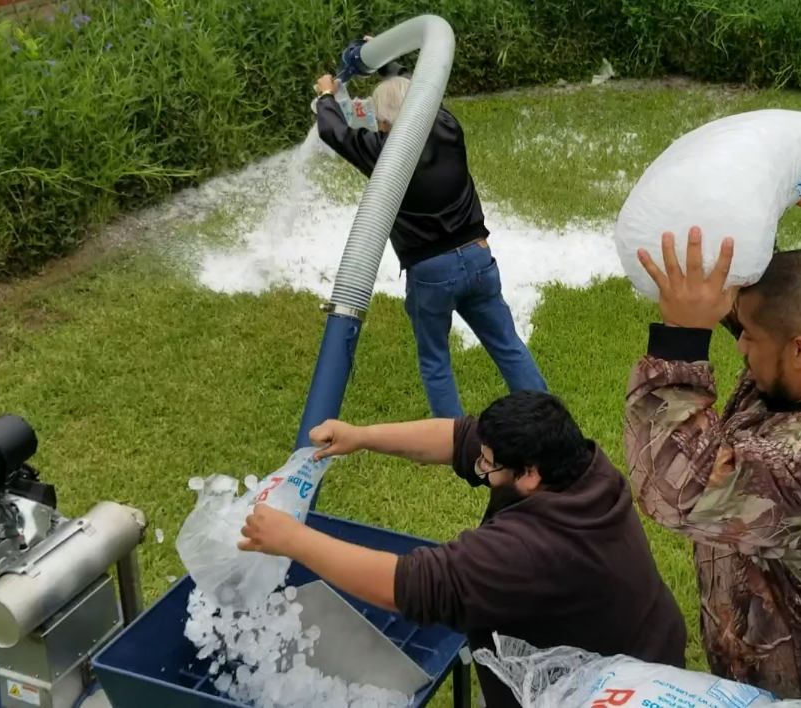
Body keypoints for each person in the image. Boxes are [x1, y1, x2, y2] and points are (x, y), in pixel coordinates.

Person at [239, 390, 686, 708]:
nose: (479, 467)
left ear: (530, 473)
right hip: (641, 637)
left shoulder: (531, 551)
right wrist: (362, 436)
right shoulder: (581, 465)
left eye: (489, 465)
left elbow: (409, 587)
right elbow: (458, 438)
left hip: (614, 687)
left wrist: (293, 540)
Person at [624, 227, 801, 707]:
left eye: (750, 337)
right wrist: (746, 222)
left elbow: (679, 490)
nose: (740, 346)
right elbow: (771, 306)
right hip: (758, 671)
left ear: (800, 351)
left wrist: (680, 343)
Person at [313, 60, 547, 418]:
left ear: (384, 121)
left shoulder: (384, 151)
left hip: (431, 271)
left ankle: (453, 438)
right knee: (507, 345)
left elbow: (334, 132)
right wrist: (390, 64)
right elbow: (426, 86)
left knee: (436, 362)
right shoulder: (448, 126)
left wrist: (327, 96)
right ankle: (546, 420)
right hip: (478, 257)